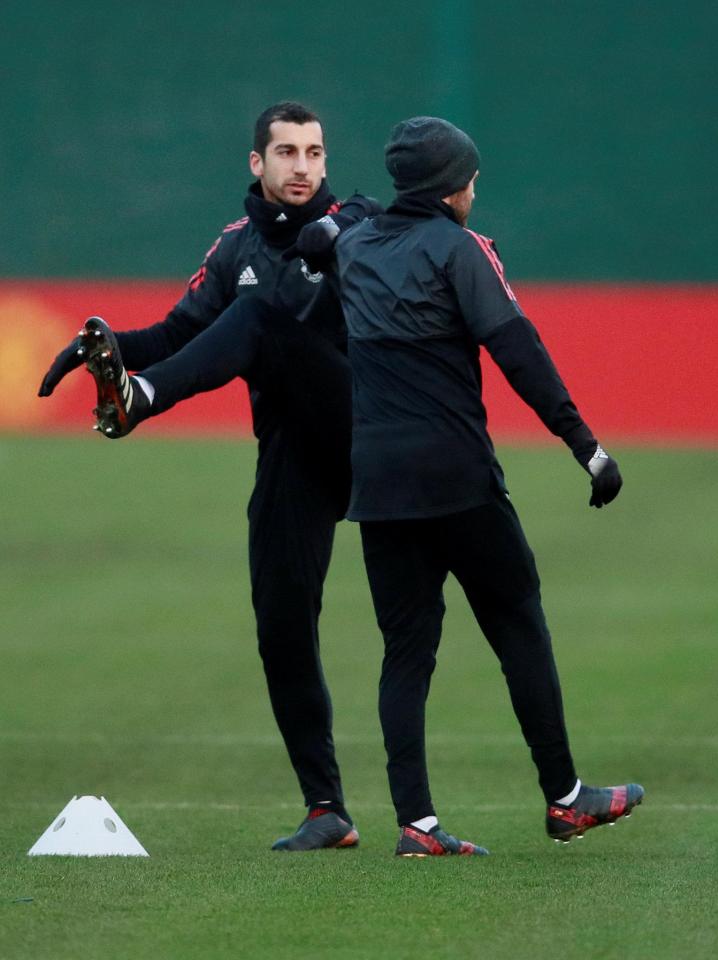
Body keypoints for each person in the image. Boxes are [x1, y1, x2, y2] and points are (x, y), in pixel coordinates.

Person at [38, 101, 382, 852]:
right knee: (281, 627)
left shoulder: (360, 227)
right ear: (256, 165)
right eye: (286, 153)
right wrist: (104, 342)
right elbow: (175, 333)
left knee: (259, 321)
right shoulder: (235, 249)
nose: (302, 166)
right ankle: (327, 809)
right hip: (295, 451)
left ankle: (142, 403)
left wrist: (142, 386)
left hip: (374, 435)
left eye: (314, 152)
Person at [322, 116, 644, 856]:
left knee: (404, 651)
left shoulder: (357, 248)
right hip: (456, 477)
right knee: (516, 622)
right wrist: (585, 447)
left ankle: (416, 824)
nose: (474, 187)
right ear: (449, 188)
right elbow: (517, 350)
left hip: (376, 482)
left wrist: (346, 219)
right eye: (468, 176)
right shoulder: (460, 250)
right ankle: (565, 800)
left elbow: (338, 236)